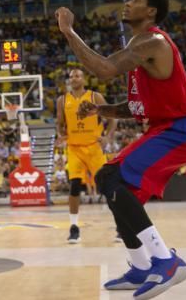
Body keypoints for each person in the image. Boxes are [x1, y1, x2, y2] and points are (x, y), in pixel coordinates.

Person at [56, 0, 186, 299]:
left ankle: (165, 260)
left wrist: (69, 32)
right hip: (164, 129)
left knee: (111, 176)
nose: (128, 2)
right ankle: (140, 264)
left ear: (151, 12)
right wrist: (103, 109)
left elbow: (105, 69)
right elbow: (137, 108)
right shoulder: (140, 50)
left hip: (180, 131)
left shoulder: (152, 41)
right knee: (107, 180)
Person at [56, 68, 115, 244]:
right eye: (71, 75)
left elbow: (112, 118)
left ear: (84, 79)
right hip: (74, 148)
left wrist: (107, 137)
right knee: (74, 186)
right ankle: (74, 228)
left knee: (107, 187)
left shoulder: (94, 97)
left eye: (78, 75)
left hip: (94, 147)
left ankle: (121, 225)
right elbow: (60, 123)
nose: (74, 78)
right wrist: (61, 134)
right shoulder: (62, 100)